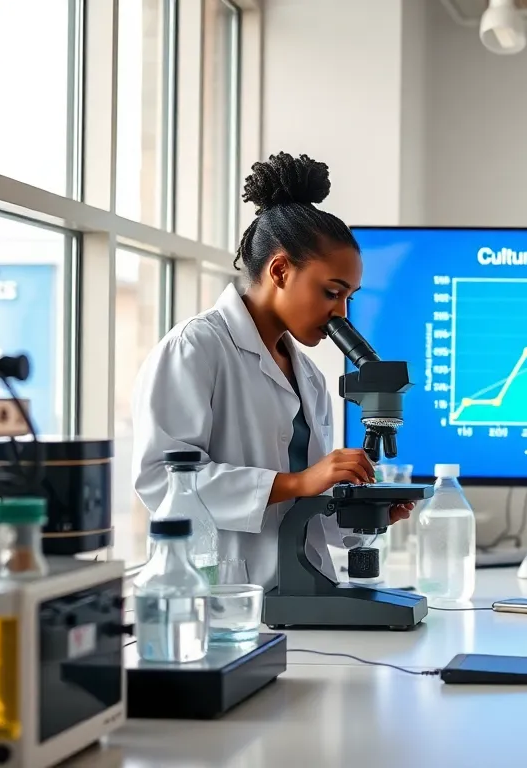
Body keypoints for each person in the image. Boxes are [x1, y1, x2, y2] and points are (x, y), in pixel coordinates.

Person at [131, 152, 411, 589]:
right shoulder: (197, 347)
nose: (342, 312)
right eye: (332, 293)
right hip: (224, 598)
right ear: (280, 270)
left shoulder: (310, 376)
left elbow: (306, 508)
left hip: (305, 590)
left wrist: (364, 512)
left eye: (349, 297)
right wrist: (298, 480)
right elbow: (162, 485)